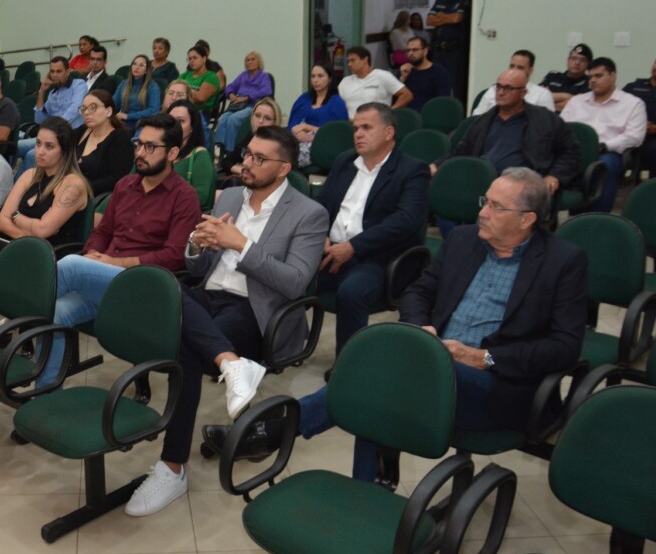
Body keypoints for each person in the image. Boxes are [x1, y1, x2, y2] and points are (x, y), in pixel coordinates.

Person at [207, 169, 587, 482]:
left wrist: (483, 357)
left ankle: (274, 433)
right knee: (380, 379)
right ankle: (359, 485)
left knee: (377, 378)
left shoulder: (562, 261)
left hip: (496, 384)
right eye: (484, 201)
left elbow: (565, 347)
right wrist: (421, 328)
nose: (483, 212)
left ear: (527, 219)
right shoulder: (464, 240)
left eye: (495, 206)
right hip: (430, 361)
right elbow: (419, 291)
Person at [124, 126, 328, 517]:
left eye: (259, 159)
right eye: (247, 154)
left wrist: (241, 245)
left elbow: (295, 282)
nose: (246, 163)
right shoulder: (231, 195)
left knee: (185, 345)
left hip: (257, 310)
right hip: (208, 296)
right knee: (162, 287)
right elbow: (197, 267)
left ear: (284, 168)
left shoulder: (308, 213)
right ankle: (230, 363)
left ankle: (172, 467)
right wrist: (196, 244)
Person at [37, 113, 200, 389]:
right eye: (139, 144)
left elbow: (173, 256)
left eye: (150, 147)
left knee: (71, 266)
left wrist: (114, 262)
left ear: (172, 153)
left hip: (143, 286)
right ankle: (45, 394)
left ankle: (17, 315)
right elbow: (102, 232)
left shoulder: (184, 197)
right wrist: (93, 254)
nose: (140, 153)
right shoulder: (125, 185)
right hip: (105, 280)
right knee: (56, 312)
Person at [314, 103, 430, 353]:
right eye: (356, 128)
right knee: (285, 274)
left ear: (389, 132)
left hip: (376, 258)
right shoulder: (345, 161)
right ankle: (279, 347)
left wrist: (353, 247)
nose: (358, 134)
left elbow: (405, 221)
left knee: (351, 292)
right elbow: (321, 204)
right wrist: (321, 233)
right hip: (330, 251)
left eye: (366, 127)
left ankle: (348, 364)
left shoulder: (412, 170)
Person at [436, 68, 580, 194]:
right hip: (481, 182)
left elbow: (570, 151)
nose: (501, 92)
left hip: (522, 186)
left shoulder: (545, 119)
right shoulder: (482, 121)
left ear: (523, 93)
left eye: (508, 88)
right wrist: (436, 165)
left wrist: (554, 176)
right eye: (498, 87)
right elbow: (461, 153)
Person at [560, 57, 647, 211]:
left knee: (604, 165)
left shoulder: (633, 103)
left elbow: (634, 137)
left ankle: (599, 216)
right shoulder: (577, 101)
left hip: (608, 152)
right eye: (590, 77)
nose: (593, 81)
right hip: (575, 150)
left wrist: (604, 146)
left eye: (598, 76)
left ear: (612, 76)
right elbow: (560, 127)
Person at [0, 116, 90, 244]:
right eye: (38, 143)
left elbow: (42, 230)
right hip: (18, 246)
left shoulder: (73, 185)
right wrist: (29, 237)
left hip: (51, 253)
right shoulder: (29, 175)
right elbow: (2, 221)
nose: (40, 152)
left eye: (49, 146)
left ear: (65, 151)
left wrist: (16, 216)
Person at [17, 57, 88, 176]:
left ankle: (28, 184)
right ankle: (12, 182)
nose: (55, 75)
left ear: (68, 71)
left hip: (70, 135)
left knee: (31, 154)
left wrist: (55, 127)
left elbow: (75, 109)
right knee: (16, 147)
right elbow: (39, 120)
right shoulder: (52, 93)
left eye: (58, 71)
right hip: (50, 135)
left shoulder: (79, 85)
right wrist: (41, 92)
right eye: (52, 71)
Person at [75, 89, 134, 197]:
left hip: (93, 195)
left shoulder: (119, 139)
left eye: (93, 107)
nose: (86, 112)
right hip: (69, 188)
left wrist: (82, 187)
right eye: (83, 109)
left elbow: (117, 179)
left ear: (108, 111)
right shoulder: (81, 131)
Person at [288, 64, 347, 165]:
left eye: (320, 76)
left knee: (289, 158)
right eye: (313, 76)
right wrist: (297, 133)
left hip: (321, 146)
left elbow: (336, 133)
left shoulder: (337, 102)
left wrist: (306, 127)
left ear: (330, 79)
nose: (315, 80)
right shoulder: (303, 98)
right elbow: (292, 124)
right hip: (295, 142)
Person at [215, 51, 274, 152]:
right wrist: (231, 94)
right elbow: (230, 86)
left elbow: (267, 90)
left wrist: (247, 97)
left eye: (253, 59)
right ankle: (220, 146)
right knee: (223, 119)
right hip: (238, 105)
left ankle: (230, 150)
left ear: (259, 62)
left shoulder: (264, 76)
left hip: (252, 105)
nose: (249, 62)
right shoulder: (243, 75)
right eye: (247, 60)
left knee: (233, 119)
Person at [427, 0, 472, 102]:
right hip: (439, 49)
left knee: (456, 84)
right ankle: (438, 107)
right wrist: (448, 17)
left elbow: (457, 18)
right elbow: (429, 20)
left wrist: (441, 16)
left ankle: (458, 109)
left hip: (455, 50)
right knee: (437, 80)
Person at [471, 50, 556, 115]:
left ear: (530, 71)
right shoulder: (493, 90)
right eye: (512, 66)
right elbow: (476, 118)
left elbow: (547, 125)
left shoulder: (542, 94)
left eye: (520, 68)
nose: (514, 70)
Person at [338, 45, 413, 117]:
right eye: (348, 61)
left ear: (365, 60)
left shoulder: (382, 76)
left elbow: (407, 95)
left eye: (353, 60)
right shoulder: (345, 82)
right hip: (351, 122)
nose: (349, 64)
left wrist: (390, 111)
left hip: (376, 122)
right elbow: (339, 105)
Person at [221, 97, 284, 176]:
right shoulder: (250, 136)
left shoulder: (280, 145)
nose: (260, 121)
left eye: (267, 118)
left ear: (275, 122)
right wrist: (242, 170)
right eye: (257, 116)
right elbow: (226, 162)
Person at [167, 98, 214, 207]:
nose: (174, 126)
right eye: (170, 120)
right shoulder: (154, 151)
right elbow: (131, 183)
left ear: (192, 127)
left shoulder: (200, 155)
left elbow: (201, 197)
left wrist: (160, 199)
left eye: (181, 121)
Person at [398, 36, 452, 112]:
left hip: (429, 113)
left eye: (415, 50)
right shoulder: (404, 70)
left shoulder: (439, 72)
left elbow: (443, 100)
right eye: (408, 50)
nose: (410, 53)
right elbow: (394, 97)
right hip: (406, 113)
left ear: (425, 51)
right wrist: (402, 78)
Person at [113, 54, 161, 132]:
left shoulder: (152, 87)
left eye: (141, 65)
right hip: (122, 121)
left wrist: (128, 116)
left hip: (142, 123)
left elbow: (153, 110)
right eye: (134, 64)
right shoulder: (124, 83)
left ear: (146, 70)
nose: (137, 67)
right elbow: (114, 103)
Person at [540, 43, 593, 112]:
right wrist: (566, 96)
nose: (577, 62)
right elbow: (538, 96)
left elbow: (578, 106)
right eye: (574, 58)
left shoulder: (590, 82)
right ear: (568, 60)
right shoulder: (552, 76)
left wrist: (547, 102)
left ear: (588, 64)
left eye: (582, 60)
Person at [179, 42, 222, 113]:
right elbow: (173, 91)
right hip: (181, 109)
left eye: (195, 58)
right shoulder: (184, 75)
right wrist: (192, 93)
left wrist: (182, 91)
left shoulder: (211, 76)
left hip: (200, 112)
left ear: (204, 59)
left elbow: (201, 97)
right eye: (189, 59)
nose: (191, 61)